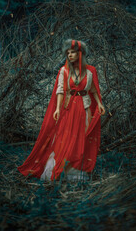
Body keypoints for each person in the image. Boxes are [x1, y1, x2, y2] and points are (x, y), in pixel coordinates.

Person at [17, 39, 105, 181]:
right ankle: (60, 167)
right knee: (65, 137)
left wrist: (100, 104)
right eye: (68, 53)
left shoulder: (91, 71)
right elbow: (60, 90)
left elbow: (94, 89)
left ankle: (75, 170)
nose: (70, 55)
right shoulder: (64, 70)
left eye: (73, 52)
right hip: (68, 109)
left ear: (80, 54)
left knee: (82, 137)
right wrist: (57, 108)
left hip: (85, 108)